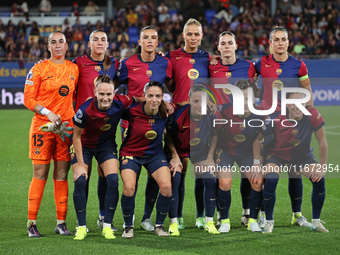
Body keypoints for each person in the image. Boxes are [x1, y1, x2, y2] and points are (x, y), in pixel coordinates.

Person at [254, 26, 314, 228]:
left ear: (288, 43)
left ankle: (297, 215)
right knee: (266, 171)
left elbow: (308, 94)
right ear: (270, 43)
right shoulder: (261, 63)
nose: (280, 43)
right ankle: (263, 214)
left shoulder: (299, 66)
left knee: (295, 170)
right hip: (268, 125)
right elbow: (248, 79)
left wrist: (305, 114)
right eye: (276, 40)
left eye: (283, 39)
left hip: (290, 125)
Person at [116, 26, 173, 232]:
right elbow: (113, 88)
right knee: (128, 179)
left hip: (156, 122)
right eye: (145, 38)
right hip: (130, 124)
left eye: (153, 38)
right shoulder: (127, 64)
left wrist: (168, 103)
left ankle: (148, 218)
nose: (149, 41)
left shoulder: (165, 62)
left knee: (155, 175)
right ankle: (111, 217)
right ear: (139, 41)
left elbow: (172, 85)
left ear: (158, 42)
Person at [24, 31, 79, 237]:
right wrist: (48, 113)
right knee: (40, 174)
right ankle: (31, 223)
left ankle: (61, 223)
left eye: (61, 42)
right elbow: (28, 99)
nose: (57, 45)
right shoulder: (38, 68)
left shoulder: (74, 68)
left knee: (62, 174)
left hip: (65, 129)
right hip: (42, 128)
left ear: (66, 46)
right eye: (53, 42)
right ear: (48, 46)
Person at [71, 74, 136, 240]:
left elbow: (137, 99)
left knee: (113, 180)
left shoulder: (120, 102)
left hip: (106, 147)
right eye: (101, 94)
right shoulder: (84, 109)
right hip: (83, 146)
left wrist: (165, 104)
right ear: (95, 93)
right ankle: (81, 226)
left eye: (109, 94)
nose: (105, 98)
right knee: (80, 180)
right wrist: (79, 164)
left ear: (114, 93)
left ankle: (107, 225)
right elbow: (76, 137)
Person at [252, 92, 328, 233]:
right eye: (293, 103)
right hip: (276, 155)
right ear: (287, 104)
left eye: (301, 102)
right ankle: (269, 221)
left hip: (302, 156)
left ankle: (316, 222)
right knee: (271, 179)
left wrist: (322, 167)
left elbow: (322, 142)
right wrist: (257, 163)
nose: (297, 106)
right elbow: (257, 140)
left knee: (319, 179)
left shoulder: (313, 114)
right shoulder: (275, 118)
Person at [165, 18, 211, 229]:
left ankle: (201, 216)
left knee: (202, 170)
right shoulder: (172, 57)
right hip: (179, 116)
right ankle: (179, 216)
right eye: (189, 34)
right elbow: (163, 80)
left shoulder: (208, 59)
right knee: (180, 169)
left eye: (196, 34)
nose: (193, 37)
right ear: (183, 35)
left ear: (201, 36)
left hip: (202, 117)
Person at [72, 30, 120, 231]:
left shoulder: (115, 64)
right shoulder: (77, 63)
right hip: (82, 129)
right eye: (95, 39)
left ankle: (102, 217)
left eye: (103, 39)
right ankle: (80, 222)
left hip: (105, 132)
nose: (99, 42)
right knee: (83, 176)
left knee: (106, 176)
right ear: (89, 43)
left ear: (108, 44)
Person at [209, 31, 258, 227]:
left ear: (236, 46)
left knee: (250, 175)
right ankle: (220, 216)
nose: (227, 46)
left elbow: (256, 90)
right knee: (217, 178)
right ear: (218, 47)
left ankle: (249, 213)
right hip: (220, 128)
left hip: (244, 126)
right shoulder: (210, 66)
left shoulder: (248, 67)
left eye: (230, 43)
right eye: (223, 43)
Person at [119, 81, 172, 238]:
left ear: (163, 97)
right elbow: (111, 113)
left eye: (157, 96)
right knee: (129, 187)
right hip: (131, 153)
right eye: (150, 96)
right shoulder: (132, 111)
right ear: (144, 96)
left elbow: (171, 135)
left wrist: (175, 156)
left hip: (155, 154)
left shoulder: (166, 112)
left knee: (167, 187)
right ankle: (128, 226)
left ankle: (159, 226)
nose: (154, 100)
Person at [166, 84, 221, 235]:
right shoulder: (178, 116)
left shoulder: (211, 115)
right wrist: (175, 156)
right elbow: (168, 135)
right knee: (175, 179)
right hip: (179, 149)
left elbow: (216, 134)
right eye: (196, 101)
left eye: (203, 101)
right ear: (189, 100)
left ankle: (207, 220)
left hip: (199, 150)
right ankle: (175, 221)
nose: (199, 105)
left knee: (209, 178)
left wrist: (210, 158)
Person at [214, 80, 264, 233]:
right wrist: (211, 157)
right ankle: (224, 220)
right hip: (226, 151)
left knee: (257, 181)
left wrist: (256, 162)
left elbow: (258, 139)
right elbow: (213, 134)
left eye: (248, 98)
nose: (244, 102)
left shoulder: (260, 114)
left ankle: (253, 220)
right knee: (225, 182)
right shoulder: (223, 111)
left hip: (247, 153)